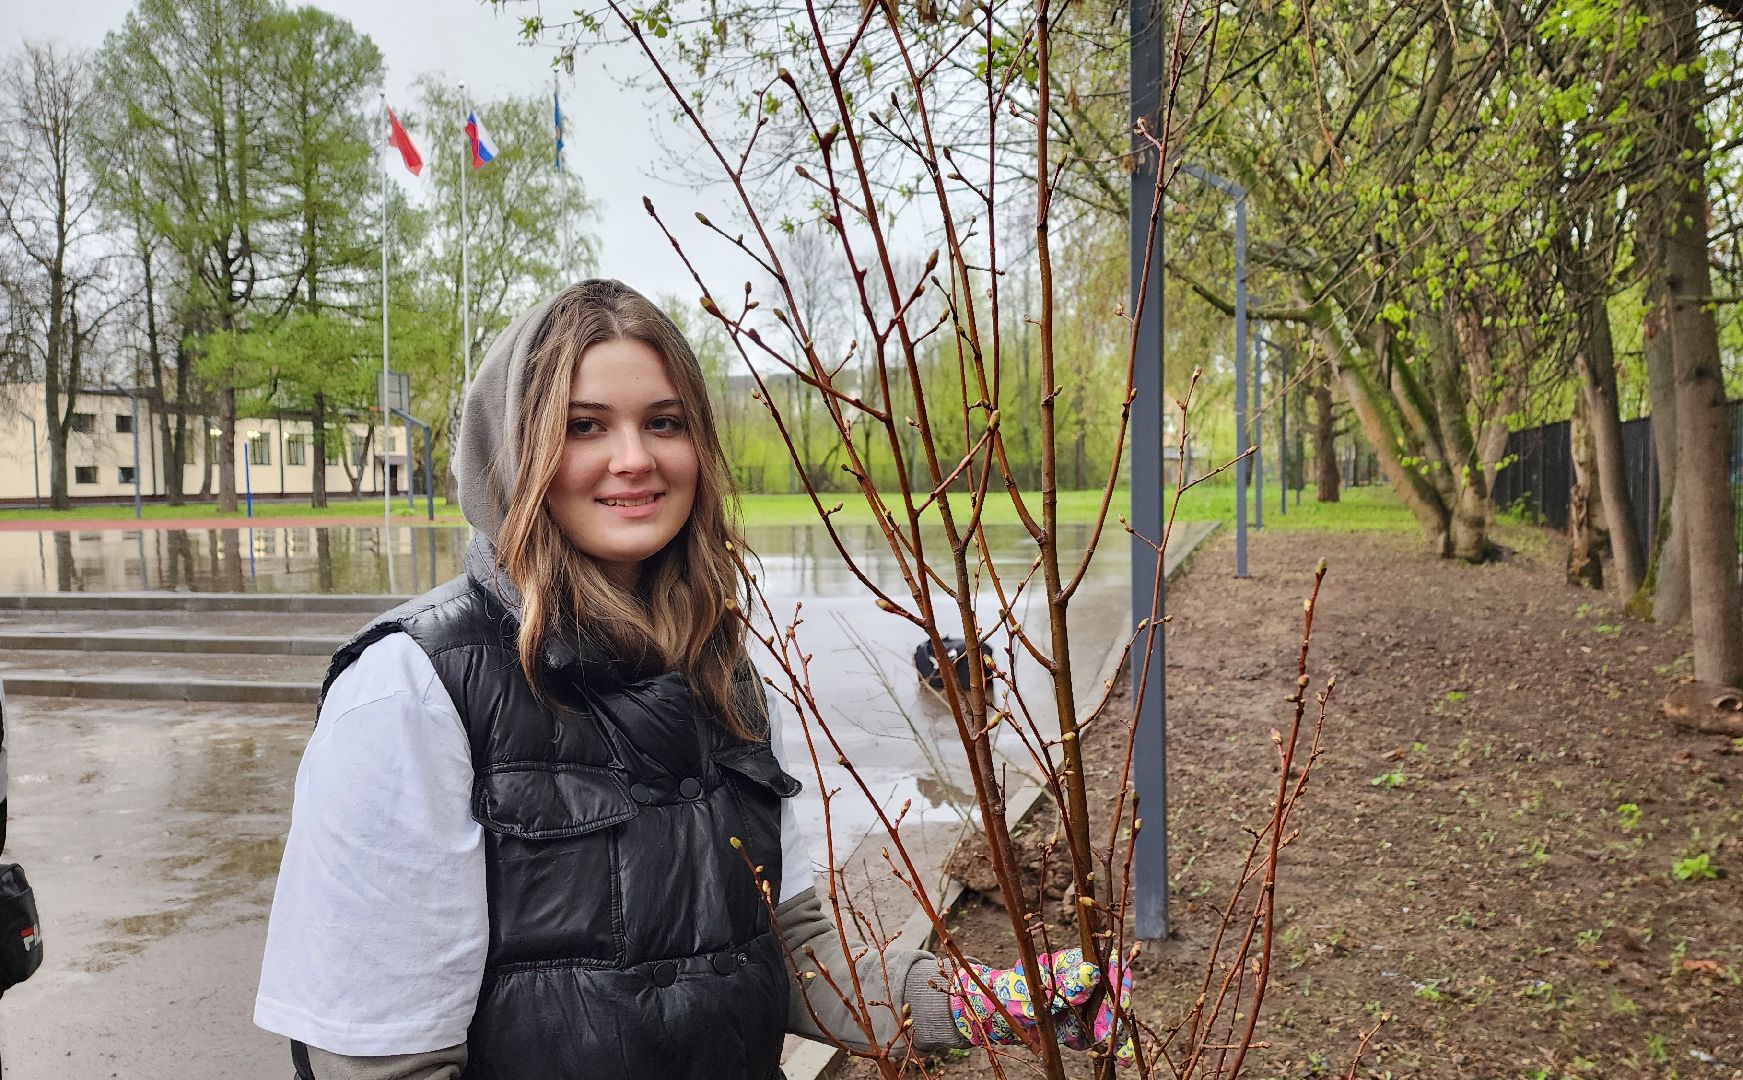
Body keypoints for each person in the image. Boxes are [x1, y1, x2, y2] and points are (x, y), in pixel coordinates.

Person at [253, 280, 1120, 1080]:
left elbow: (792, 954)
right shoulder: (412, 689)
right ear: (512, 453)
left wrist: (986, 1001)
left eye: (664, 422)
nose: (634, 458)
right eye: (584, 426)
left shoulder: (721, 668)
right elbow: (382, 1062)